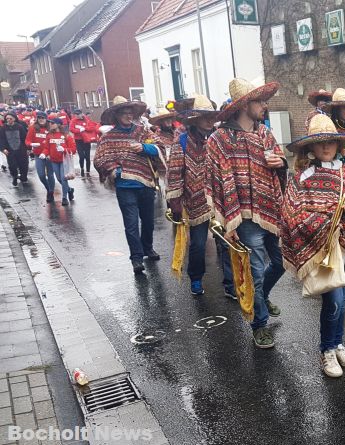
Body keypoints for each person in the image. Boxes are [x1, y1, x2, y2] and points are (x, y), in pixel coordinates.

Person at [206, 78, 287, 349]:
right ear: (244, 105)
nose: (265, 106)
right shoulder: (220, 139)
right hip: (243, 215)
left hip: (270, 210)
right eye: (260, 101)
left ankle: (260, 296)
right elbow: (216, 179)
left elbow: (279, 159)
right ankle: (259, 324)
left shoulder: (265, 133)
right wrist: (228, 220)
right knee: (254, 270)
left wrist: (281, 162)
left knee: (281, 262)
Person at [281, 114, 345, 378]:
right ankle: (327, 349)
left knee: (343, 296)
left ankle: (337, 343)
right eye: (320, 143)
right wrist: (325, 220)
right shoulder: (303, 177)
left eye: (330, 142)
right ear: (311, 148)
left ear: (338, 144)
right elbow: (292, 211)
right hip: (320, 246)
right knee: (334, 299)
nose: (326, 147)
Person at [166, 94, 232, 297]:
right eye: (205, 116)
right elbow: (175, 173)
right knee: (199, 244)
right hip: (195, 202)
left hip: (221, 200)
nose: (209, 120)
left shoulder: (220, 138)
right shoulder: (182, 142)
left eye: (212, 116)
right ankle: (195, 278)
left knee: (227, 242)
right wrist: (175, 201)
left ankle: (230, 284)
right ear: (195, 119)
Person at [94, 96, 163, 273]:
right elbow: (100, 158)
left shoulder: (143, 132)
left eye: (130, 112)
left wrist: (144, 148)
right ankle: (136, 258)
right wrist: (113, 170)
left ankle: (147, 248)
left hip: (146, 183)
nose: (128, 115)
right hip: (125, 187)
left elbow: (160, 147)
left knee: (148, 222)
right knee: (131, 223)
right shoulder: (109, 137)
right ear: (117, 115)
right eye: (124, 113)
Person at [43, 118, 76, 206]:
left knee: (63, 178)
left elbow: (73, 149)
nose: (50, 124)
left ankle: (64, 198)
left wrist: (64, 150)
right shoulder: (49, 135)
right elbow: (47, 148)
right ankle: (69, 190)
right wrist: (44, 154)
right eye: (50, 123)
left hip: (64, 161)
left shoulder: (66, 135)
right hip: (54, 160)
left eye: (53, 123)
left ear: (58, 124)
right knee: (59, 178)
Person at [26, 112, 56, 201]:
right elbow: (27, 140)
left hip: (49, 155)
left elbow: (56, 137)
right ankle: (48, 189)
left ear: (46, 118)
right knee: (41, 175)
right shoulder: (33, 128)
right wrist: (31, 144)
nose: (41, 119)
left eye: (43, 118)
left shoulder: (50, 127)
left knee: (50, 174)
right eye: (39, 118)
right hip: (38, 154)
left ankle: (51, 193)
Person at [0, 112, 30, 187]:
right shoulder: (3, 128)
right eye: (7, 119)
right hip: (10, 150)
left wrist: (28, 148)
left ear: (14, 119)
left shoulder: (19, 127)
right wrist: (3, 149)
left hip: (21, 149)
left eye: (10, 118)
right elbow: (1, 139)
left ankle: (23, 177)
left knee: (23, 164)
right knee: (12, 165)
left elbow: (25, 138)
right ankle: (15, 176)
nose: (9, 120)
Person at [69, 109, 100, 177]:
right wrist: (79, 130)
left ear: (81, 114)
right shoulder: (73, 121)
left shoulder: (86, 119)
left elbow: (92, 128)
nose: (76, 116)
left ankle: (88, 171)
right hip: (78, 140)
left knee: (87, 157)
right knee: (81, 156)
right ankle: (82, 168)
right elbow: (71, 129)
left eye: (78, 114)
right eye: (75, 114)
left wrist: (85, 128)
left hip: (86, 140)